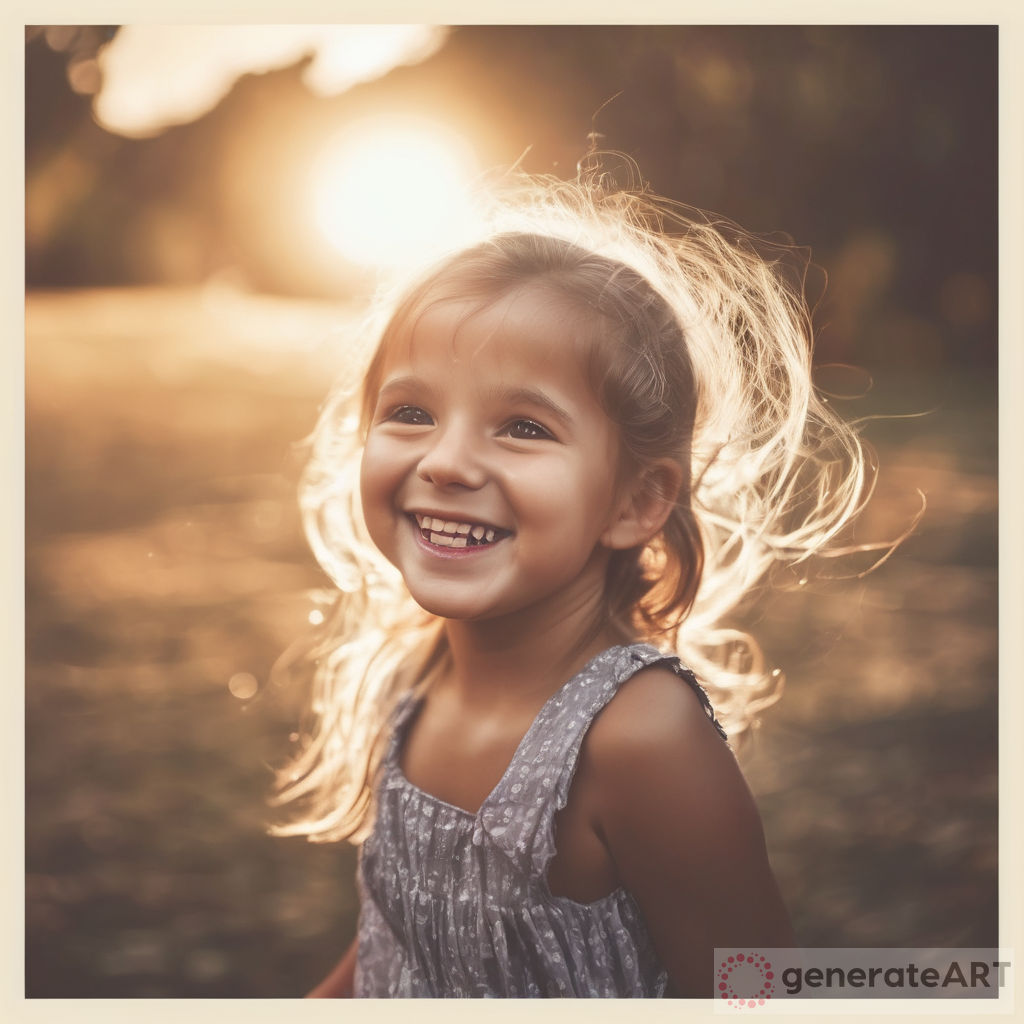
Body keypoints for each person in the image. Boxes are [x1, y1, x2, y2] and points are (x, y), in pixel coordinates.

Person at [273, 162, 870, 997]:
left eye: (522, 426)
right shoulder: (413, 679)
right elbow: (397, 944)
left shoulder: (639, 739)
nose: (445, 461)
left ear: (635, 501)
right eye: (411, 413)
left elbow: (756, 993)